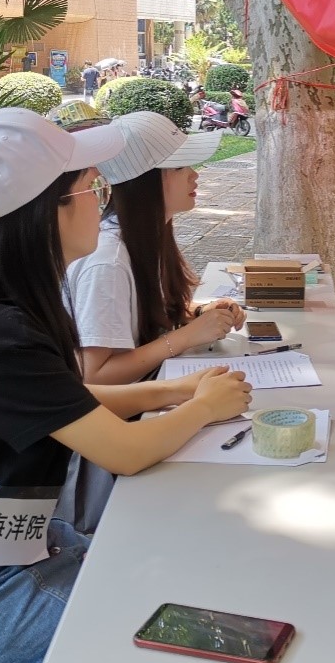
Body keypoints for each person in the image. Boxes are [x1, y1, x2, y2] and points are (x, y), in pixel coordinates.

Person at [0, 108, 252, 663]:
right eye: (92, 188)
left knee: (191, 560)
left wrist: (180, 387)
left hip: (15, 547)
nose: (102, 204)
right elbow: (126, 452)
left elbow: (71, 398)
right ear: (46, 209)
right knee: (186, 613)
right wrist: (204, 407)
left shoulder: (11, 304)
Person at [60, 112, 243, 533]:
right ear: (145, 180)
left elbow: (150, 321)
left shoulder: (147, 236)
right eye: (180, 166)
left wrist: (199, 317)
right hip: (109, 444)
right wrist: (184, 339)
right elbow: (94, 376)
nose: (195, 174)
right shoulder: (107, 260)